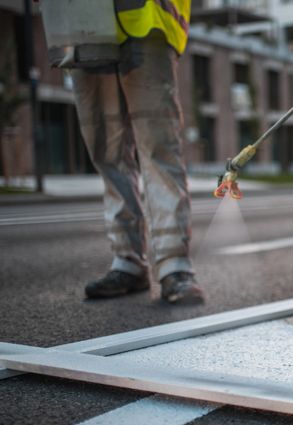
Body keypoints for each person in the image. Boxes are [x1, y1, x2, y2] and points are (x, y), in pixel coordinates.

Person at [72, 0, 205, 304]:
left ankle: (175, 266)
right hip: (80, 26)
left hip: (147, 22)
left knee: (159, 148)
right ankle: (127, 262)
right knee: (107, 152)